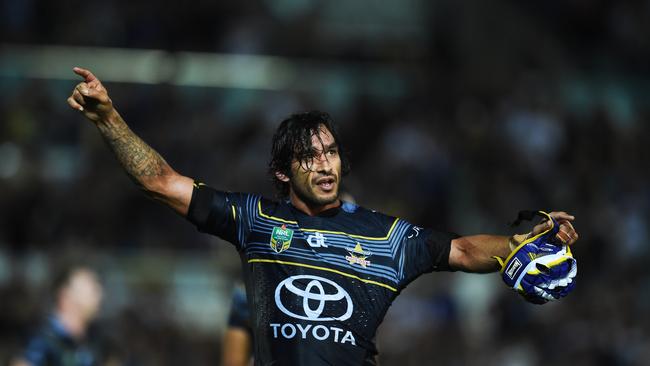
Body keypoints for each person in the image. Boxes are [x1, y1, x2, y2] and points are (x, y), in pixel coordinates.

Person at [66, 67, 579, 365]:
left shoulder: (388, 236)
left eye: (330, 151)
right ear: (282, 172)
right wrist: (109, 118)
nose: (325, 163)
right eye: (309, 156)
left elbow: (465, 250)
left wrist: (519, 242)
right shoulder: (255, 220)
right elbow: (159, 181)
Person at [11, 266, 109, 366]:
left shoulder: (93, 339)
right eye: (91, 288)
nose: (99, 294)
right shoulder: (41, 339)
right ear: (65, 295)